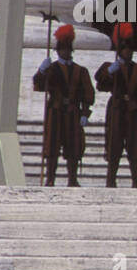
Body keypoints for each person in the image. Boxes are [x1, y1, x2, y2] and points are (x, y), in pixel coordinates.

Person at [94, 22, 137, 189]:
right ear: (120, 50)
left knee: (135, 146)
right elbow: (100, 84)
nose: (127, 52)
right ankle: (111, 179)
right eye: (125, 49)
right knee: (114, 145)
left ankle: (136, 179)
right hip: (116, 109)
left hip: (133, 111)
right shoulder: (110, 67)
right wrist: (109, 73)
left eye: (130, 50)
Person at [33, 23, 95, 187]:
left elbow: (88, 93)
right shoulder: (51, 69)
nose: (65, 52)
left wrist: (84, 113)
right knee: (52, 146)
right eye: (62, 49)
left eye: (68, 49)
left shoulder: (80, 71)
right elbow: (39, 86)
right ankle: (50, 178)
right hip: (56, 111)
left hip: (73, 112)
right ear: (58, 51)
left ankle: (72, 179)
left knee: (73, 147)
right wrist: (41, 71)